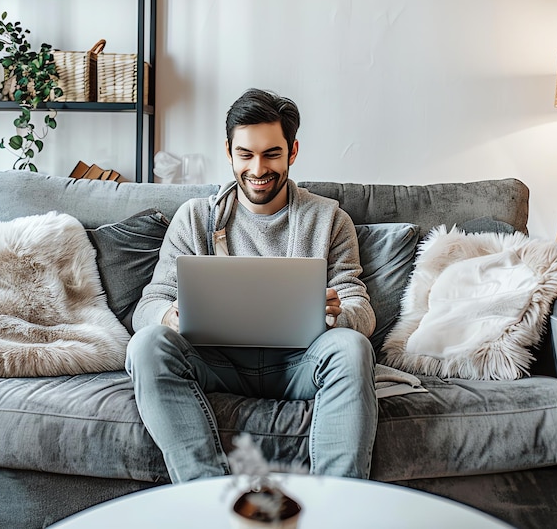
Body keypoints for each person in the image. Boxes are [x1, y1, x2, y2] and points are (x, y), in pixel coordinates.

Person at [126, 88, 378, 483]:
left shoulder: (330, 219)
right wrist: (170, 316)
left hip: (300, 364)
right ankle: (205, 495)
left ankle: (338, 507)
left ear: (293, 151)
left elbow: (361, 311)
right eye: (245, 154)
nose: (258, 168)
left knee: (352, 347)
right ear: (229, 151)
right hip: (217, 364)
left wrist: (336, 314)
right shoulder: (194, 218)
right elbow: (148, 305)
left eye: (271, 154)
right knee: (146, 344)